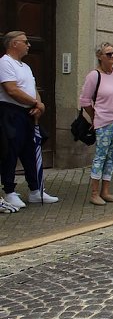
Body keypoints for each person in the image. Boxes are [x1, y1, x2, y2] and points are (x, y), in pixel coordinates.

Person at [0, 31, 59, 210]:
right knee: (11, 152)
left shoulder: (25, 67)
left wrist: (39, 104)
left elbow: (32, 89)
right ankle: (9, 191)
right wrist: (35, 103)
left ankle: (36, 190)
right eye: (25, 42)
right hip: (11, 113)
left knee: (32, 152)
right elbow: (12, 90)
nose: (29, 45)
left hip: (29, 114)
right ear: (13, 44)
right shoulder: (4, 63)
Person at [79, 42, 113, 205]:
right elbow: (85, 100)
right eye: (109, 54)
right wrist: (95, 116)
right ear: (100, 57)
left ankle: (106, 191)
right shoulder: (94, 76)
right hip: (104, 121)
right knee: (101, 156)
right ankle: (94, 193)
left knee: (112, 156)